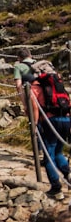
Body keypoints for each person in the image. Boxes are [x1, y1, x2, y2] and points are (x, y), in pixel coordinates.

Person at [30, 60, 70, 196]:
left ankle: (55, 185)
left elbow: (35, 107)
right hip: (66, 119)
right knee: (58, 151)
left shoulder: (35, 87)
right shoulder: (59, 85)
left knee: (49, 154)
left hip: (50, 120)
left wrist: (34, 124)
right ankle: (67, 175)